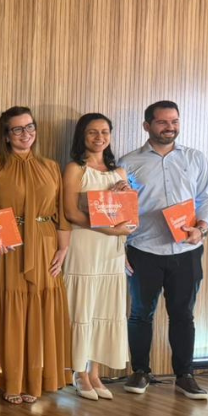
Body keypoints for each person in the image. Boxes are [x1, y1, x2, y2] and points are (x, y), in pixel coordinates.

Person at [120, 101, 208, 400]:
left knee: (183, 314)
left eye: (174, 121)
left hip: (186, 250)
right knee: (140, 314)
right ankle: (140, 371)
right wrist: (120, 246)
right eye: (162, 122)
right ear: (147, 125)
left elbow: (206, 198)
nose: (169, 127)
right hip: (143, 249)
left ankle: (185, 375)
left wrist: (201, 227)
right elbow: (121, 209)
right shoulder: (128, 162)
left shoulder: (195, 158)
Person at [0, 107, 72, 405]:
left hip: (44, 244)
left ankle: (38, 379)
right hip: (6, 245)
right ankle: (11, 380)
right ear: (6, 135)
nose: (25, 134)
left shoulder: (51, 166)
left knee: (40, 310)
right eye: (17, 129)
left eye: (30, 126)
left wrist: (63, 249)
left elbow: (61, 213)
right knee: (11, 310)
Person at [62, 113, 134, 400]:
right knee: (83, 307)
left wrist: (121, 198)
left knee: (105, 307)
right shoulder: (75, 169)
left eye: (104, 132)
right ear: (82, 135)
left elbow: (125, 216)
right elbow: (71, 212)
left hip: (112, 250)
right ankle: (78, 372)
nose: (99, 137)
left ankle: (95, 371)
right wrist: (109, 230)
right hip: (85, 244)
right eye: (93, 132)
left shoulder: (120, 173)